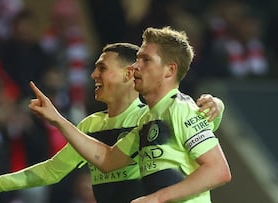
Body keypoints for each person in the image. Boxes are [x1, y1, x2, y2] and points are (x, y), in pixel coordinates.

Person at [0, 42, 224, 203]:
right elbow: (52, 170)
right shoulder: (90, 125)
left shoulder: (151, 115)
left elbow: (200, 124)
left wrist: (216, 106)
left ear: (130, 73)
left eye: (102, 67)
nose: (93, 75)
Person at [25, 26, 231, 203]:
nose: (135, 65)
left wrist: (156, 198)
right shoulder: (147, 120)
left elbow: (218, 170)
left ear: (169, 70)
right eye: (138, 58)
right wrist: (58, 120)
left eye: (146, 60)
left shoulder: (180, 107)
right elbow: (107, 160)